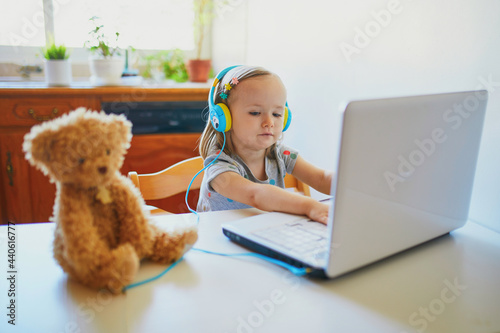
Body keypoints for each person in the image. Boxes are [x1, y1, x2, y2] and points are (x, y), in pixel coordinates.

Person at [197, 65, 334, 224]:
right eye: (255, 113)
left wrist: (356, 186)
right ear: (223, 118)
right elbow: (255, 194)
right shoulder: (219, 166)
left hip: (263, 232)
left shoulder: (281, 155)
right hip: (218, 240)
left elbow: (321, 178)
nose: (269, 122)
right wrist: (310, 206)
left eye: (277, 114)